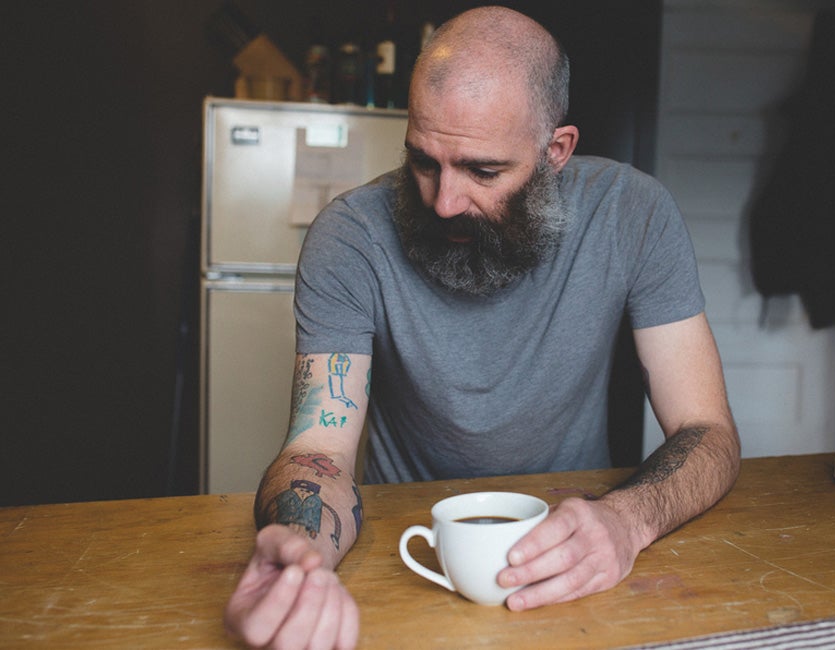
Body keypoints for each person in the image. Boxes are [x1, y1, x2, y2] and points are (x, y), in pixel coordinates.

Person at [224, 6, 740, 649]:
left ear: (557, 151)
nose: (443, 201)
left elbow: (708, 432)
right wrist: (301, 559)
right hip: (408, 554)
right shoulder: (348, 238)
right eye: (423, 160)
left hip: (583, 546)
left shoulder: (633, 215)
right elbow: (318, 451)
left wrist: (628, 522)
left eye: (483, 171)